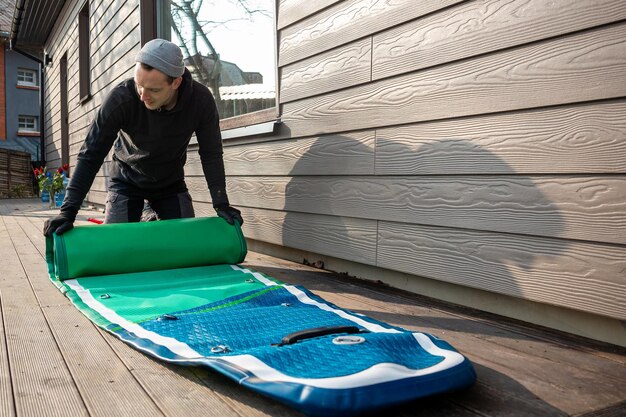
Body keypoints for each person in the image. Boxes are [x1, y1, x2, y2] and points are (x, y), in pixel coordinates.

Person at [43, 39, 242, 236]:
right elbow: (90, 155)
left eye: (154, 90)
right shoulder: (121, 99)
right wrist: (67, 212)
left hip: (170, 183)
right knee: (117, 248)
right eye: (140, 85)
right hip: (126, 180)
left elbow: (211, 154)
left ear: (176, 82)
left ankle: (149, 214)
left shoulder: (200, 101)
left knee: (182, 244)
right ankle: (146, 214)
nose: (143, 96)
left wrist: (221, 203)